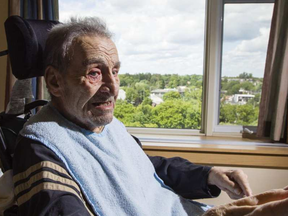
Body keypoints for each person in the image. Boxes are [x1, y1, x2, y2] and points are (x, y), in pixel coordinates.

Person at [11, 17, 285, 216]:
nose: (113, 87)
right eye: (95, 72)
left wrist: (210, 175)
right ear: (55, 82)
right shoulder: (42, 145)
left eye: (115, 71)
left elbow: (142, 168)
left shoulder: (106, 126)